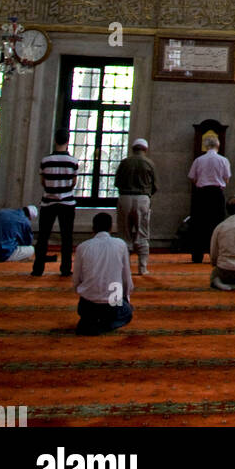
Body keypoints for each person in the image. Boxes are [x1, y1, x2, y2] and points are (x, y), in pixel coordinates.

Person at [73, 212, 134, 336]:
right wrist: (125, 299)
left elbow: (76, 281)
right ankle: (104, 325)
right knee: (127, 312)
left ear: (93, 228)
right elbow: (127, 280)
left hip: (87, 304)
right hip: (112, 301)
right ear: (111, 227)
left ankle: (90, 322)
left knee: (87, 311)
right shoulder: (120, 245)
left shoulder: (82, 247)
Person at [32, 130, 78, 278]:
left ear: (55, 141)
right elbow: (73, 183)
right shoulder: (73, 161)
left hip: (48, 203)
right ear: (67, 141)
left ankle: (38, 269)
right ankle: (65, 269)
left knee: (43, 237)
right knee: (66, 237)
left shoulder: (45, 161)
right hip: (67, 203)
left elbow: (42, 182)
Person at [114, 137, 157, 276]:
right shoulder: (149, 163)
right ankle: (142, 268)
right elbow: (155, 186)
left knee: (124, 234)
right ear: (145, 149)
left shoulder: (124, 163)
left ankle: (122, 268)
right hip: (143, 199)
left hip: (125, 198)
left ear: (133, 149)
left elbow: (117, 182)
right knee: (143, 234)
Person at [187, 134, 231, 263]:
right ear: (218, 145)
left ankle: (197, 256)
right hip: (216, 194)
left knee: (198, 225)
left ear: (206, 146)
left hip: (201, 194)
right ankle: (216, 255)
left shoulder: (199, 160)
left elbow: (192, 178)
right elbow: (226, 179)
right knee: (217, 224)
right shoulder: (223, 160)